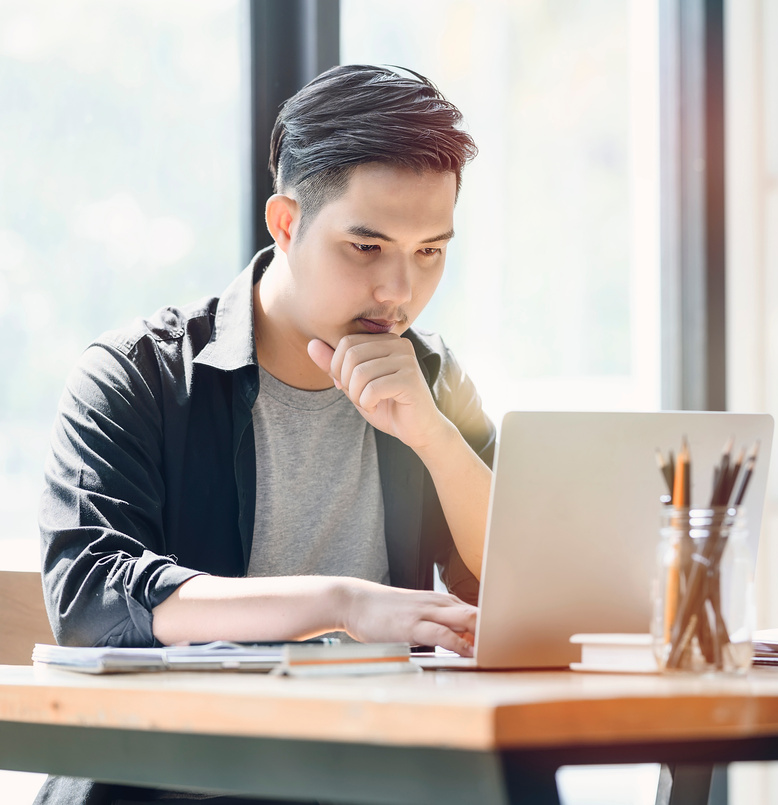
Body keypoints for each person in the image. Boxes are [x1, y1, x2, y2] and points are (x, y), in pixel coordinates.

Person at [36, 65, 493, 804]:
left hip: (374, 777)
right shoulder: (137, 377)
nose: (398, 292)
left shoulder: (432, 381)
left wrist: (437, 439)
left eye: (430, 251)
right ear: (286, 223)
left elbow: (519, 588)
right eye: (367, 247)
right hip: (176, 782)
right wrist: (341, 602)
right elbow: (94, 600)